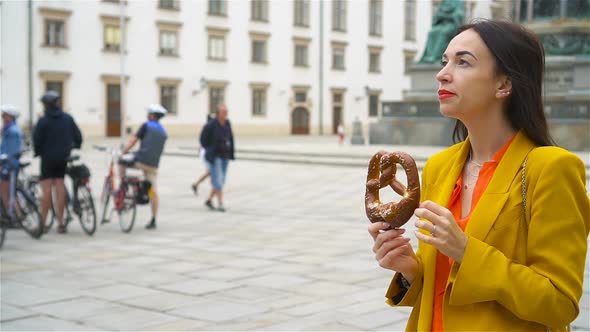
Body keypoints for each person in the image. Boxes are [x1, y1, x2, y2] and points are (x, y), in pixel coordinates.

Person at [368, 19, 589, 331]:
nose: (442, 73)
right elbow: (440, 288)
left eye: (463, 62)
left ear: (504, 84)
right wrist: (410, 271)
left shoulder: (552, 169)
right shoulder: (439, 166)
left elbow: (559, 303)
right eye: (444, 61)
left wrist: (466, 251)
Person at [34, 91, 83, 234]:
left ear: (45, 105)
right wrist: (75, 145)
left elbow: (37, 140)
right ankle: (61, 223)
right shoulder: (67, 118)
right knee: (60, 188)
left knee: (47, 189)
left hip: (47, 159)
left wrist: (38, 152)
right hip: (63, 157)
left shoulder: (43, 121)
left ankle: (43, 223)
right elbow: (78, 136)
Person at [121, 104, 168, 229]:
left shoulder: (146, 126)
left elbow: (133, 141)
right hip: (153, 165)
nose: (147, 116)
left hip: (140, 161)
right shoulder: (163, 131)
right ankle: (153, 219)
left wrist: (123, 151)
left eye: (148, 114)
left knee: (121, 162)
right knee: (153, 191)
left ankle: (123, 186)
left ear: (152, 115)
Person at [199, 104, 234, 212]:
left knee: (221, 180)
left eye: (226, 112)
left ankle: (209, 199)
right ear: (218, 113)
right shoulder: (211, 124)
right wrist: (209, 149)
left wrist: (231, 152)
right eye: (223, 112)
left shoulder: (227, 123)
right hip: (215, 156)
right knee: (218, 180)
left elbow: (231, 137)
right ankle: (220, 203)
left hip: (225, 155)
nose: (225, 114)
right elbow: (203, 139)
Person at [0, 104, 23, 220]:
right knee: (8, 191)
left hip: (9, 165)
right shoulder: (8, 129)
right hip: (6, 164)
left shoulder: (12, 131)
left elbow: (11, 151)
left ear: (11, 117)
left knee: (7, 191)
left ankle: (13, 215)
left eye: (5, 116)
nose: (3, 118)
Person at [191, 110, 215, 195]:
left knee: (210, 171)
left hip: (205, 151)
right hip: (206, 152)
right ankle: (213, 188)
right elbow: (203, 140)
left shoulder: (210, 127)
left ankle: (197, 185)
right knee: (211, 171)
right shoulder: (208, 127)